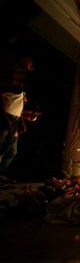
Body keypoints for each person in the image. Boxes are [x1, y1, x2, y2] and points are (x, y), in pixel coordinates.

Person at [0, 54, 35, 182]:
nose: (30, 66)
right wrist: (4, 118)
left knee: (11, 151)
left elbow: (17, 104)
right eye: (28, 63)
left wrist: (24, 119)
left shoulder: (22, 86)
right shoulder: (10, 79)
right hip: (6, 117)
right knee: (2, 147)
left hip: (14, 119)